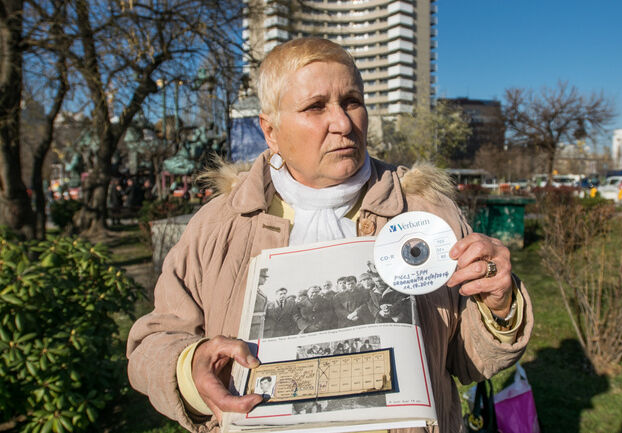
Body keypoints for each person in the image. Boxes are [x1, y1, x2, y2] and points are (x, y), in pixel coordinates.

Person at [127, 38, 533, 433]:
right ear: (271, 131)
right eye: (316, 107)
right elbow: (155, 339)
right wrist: (189, 367)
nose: (342, 123)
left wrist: (498, 306)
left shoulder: (427, 211)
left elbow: (469, 361)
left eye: (351, 101)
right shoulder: (218, 226)